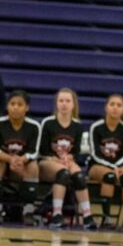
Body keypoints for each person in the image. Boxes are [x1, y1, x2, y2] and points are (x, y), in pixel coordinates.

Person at [38, 88, 97, 230]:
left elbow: (76, 152)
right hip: (47, 161)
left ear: (73, 105)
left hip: (65, 161)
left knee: (79, 176)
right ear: (56, 103)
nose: (64, 104)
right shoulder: (48, 123)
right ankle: (57, 214)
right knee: (63, 173)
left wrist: (70, 157)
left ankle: (87, 216)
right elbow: (41, 150)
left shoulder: (77, 125)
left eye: (67, 101)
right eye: (61, 101)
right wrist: (56, 159)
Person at [0, 90, 41, 226]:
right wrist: (10, 159)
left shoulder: (34, 126)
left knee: (33, 167)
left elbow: (34, 152)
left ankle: (28, 210)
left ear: (27, 108)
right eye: (12, 104)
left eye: (20, 104)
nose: (15, 107)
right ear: (7, 106)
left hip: (19, 164)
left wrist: (20, 160)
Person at [88, 94, 123, 230]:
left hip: (118, 167)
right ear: (106, 107)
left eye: (119, 105)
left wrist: (117, 167)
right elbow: (95, 154)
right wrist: (113, 167)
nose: (115, 108)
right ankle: (107, 217)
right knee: (109, 176)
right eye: (112, 104)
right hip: (97, 166)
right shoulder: (96, 127)